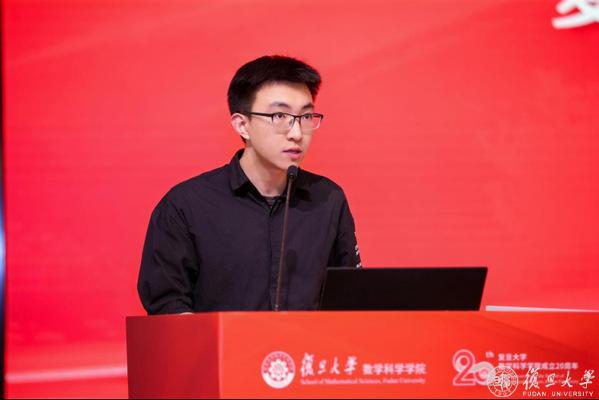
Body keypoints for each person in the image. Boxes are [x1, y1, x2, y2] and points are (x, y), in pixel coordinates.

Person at [138, 55, 361, 314]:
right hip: (220, 342)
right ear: (242, 125)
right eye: (280, 116)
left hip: (307, 342)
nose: (297, 133)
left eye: (306, 116)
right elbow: (167, 305)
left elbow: (350, 297)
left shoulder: (328, 199)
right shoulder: (186, 206)